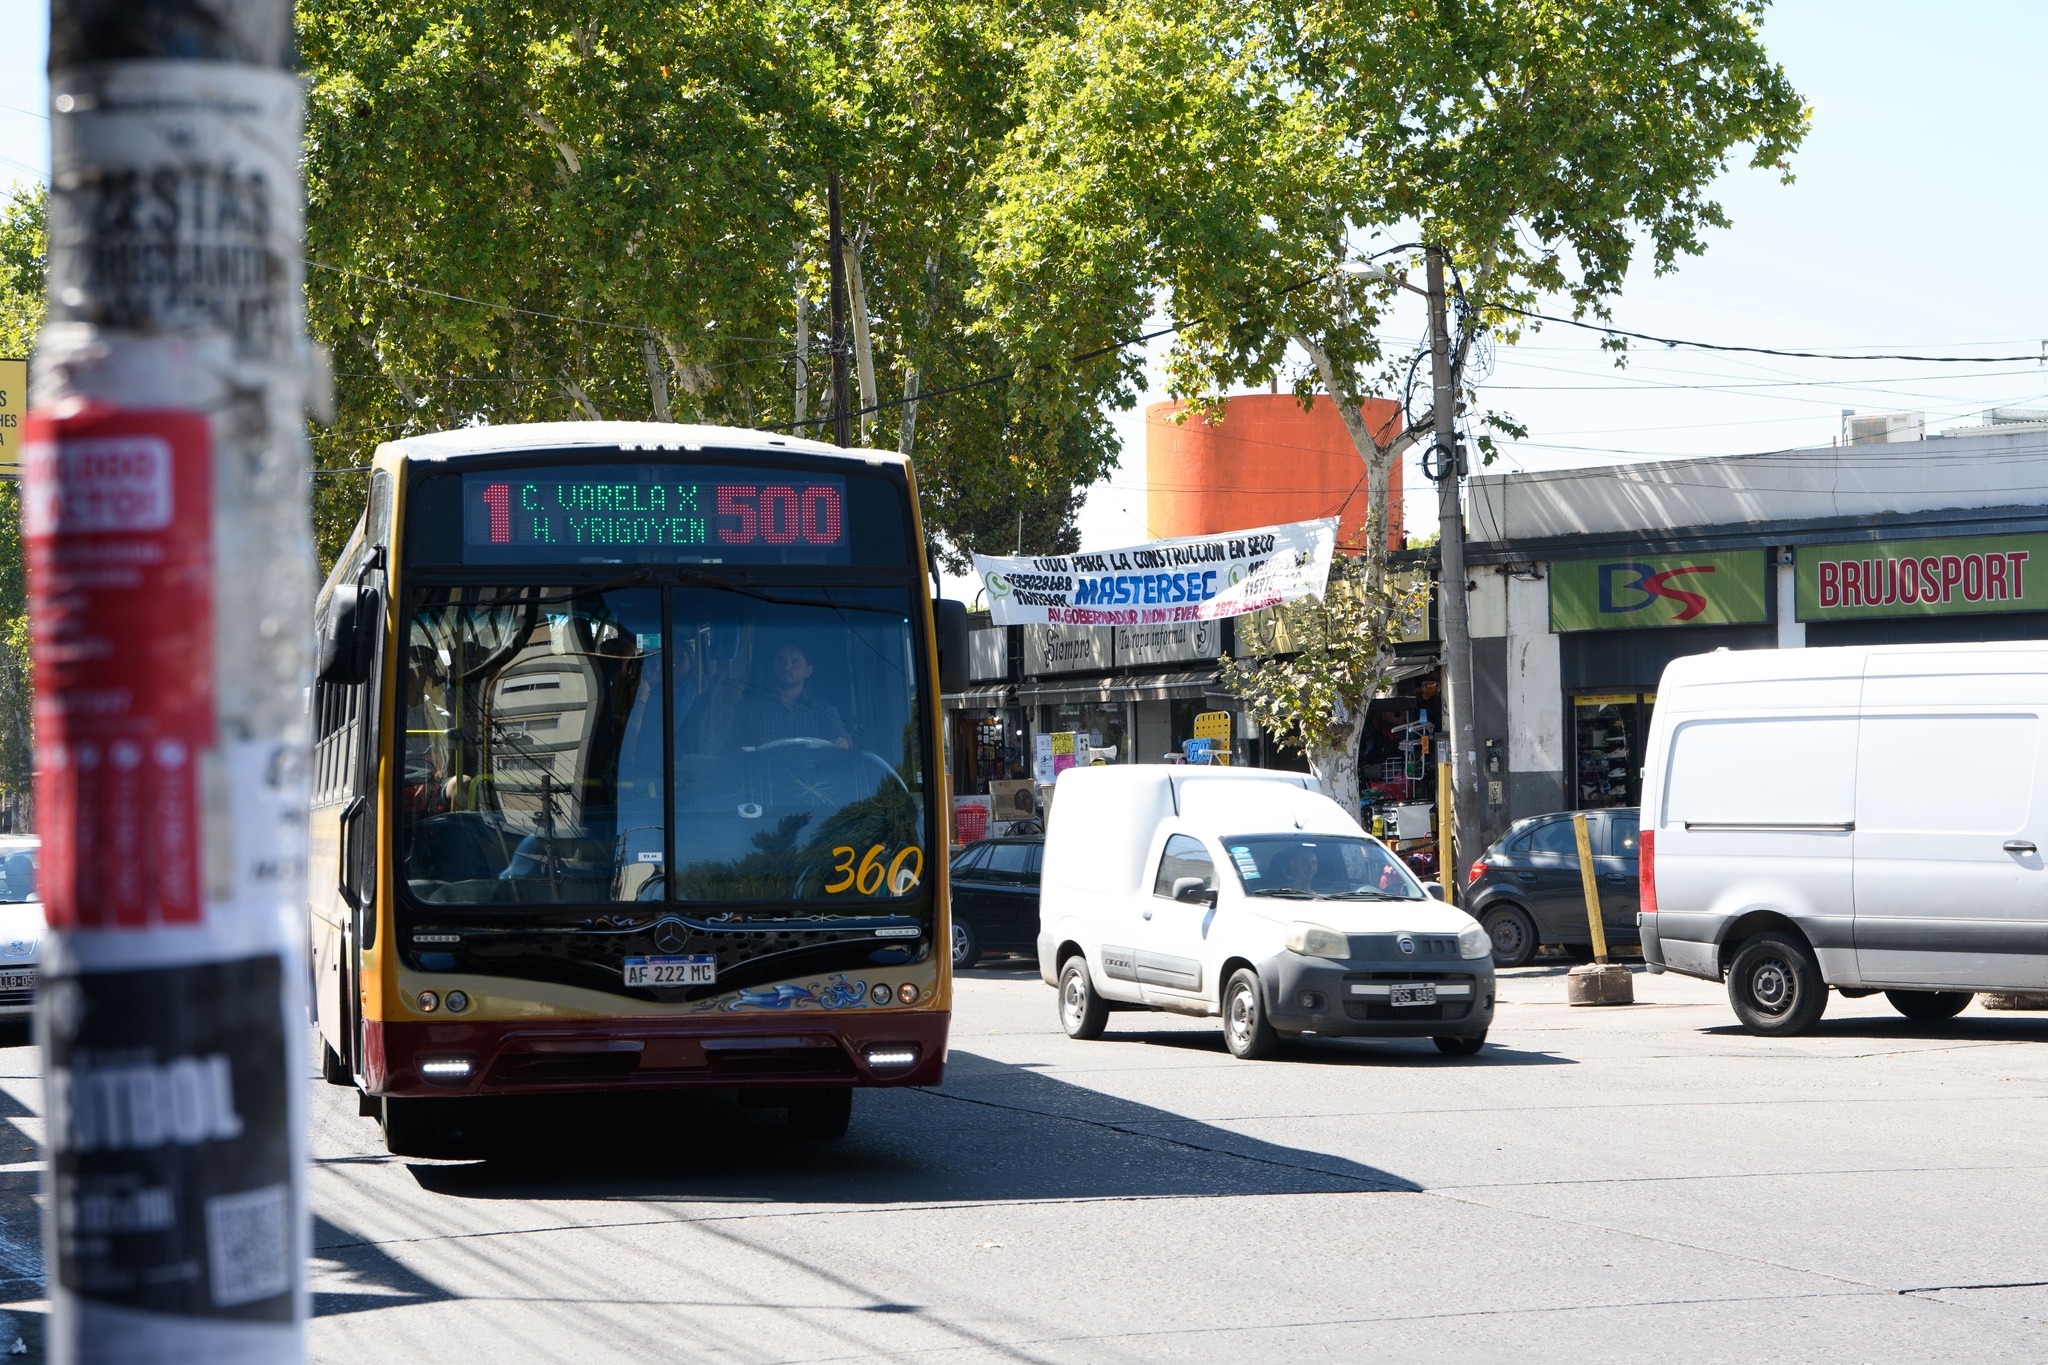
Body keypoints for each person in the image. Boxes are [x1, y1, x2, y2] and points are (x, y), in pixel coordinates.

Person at [732, 644, 850, 749]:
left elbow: (841, 739)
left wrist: (843, 742)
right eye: (782, 661)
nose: (786, 667)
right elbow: (733, 752)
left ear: (808, 671)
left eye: (795, 662)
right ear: (774, 666)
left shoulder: (823, 710)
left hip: (815, 773)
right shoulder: (749, 709)